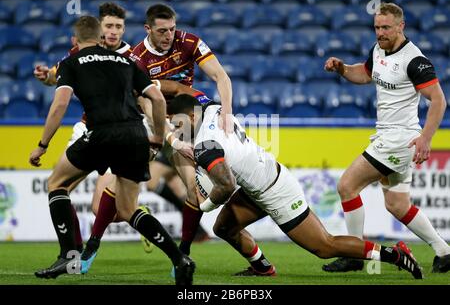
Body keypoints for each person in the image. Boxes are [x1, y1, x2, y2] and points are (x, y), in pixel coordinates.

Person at [166, 94, 424, 279]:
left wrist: (205, 204)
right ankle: (262, 268)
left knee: (325, 246)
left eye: (178, 125)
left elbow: (226, 185)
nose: (177, 133)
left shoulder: (206, 146)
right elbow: (189, 93)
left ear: (191, 117)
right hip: (259, 183)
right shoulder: (210, 107)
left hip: (276, 192)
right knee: (223, 227)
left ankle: (396, 255)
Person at [28, 16, 195, 285]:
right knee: (128, 210)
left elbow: (59, 106)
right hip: (135, 136)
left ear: (75, 41)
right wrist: (158, 139)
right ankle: (180, 259)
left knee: (56, 184)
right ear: (101, 36)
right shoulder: (128, 61)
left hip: (101, 135)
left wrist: (42, 145)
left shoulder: (72, 62)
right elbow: (157, 98)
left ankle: (69, 254)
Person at [321, 2, 450, 274]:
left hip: (400, 139)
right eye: (377, 27)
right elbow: (366, 74)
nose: (380, 32)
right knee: (397, 204)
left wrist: (426, 139)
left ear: (401, 26)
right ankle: (444, 251)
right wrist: (343, 68)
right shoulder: (379, 49)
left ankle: (354, 254)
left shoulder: (415, 60)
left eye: (386, 27)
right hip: (390, 137)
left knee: (347, 186)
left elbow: (438, 100)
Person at [32, 2, 158, 254]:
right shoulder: (81, 51)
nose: (113, 31)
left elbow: (149, 99)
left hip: (121, 133)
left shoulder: (133, 59)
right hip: (89, 128)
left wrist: (154, 135)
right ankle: (72, 253)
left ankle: (138, 215)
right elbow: (58, 77)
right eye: (108, 26)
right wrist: (46, 76)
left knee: (100, 209)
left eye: (118, 27)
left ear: (124, 30)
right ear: (99, 28)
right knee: (59, 188)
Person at [129, 3, 234, 257]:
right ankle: (136, 219)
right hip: (160, 124)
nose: (169, 36)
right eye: (162, 31)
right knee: (153, 180)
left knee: (190, 187)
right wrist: (166, 135)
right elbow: (142, 102)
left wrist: (228, 112)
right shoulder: (138, 58)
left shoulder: (189, 42)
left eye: (172, 29)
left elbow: (221, 76)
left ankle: (187, 248)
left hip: (190, 120)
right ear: (148, 29)